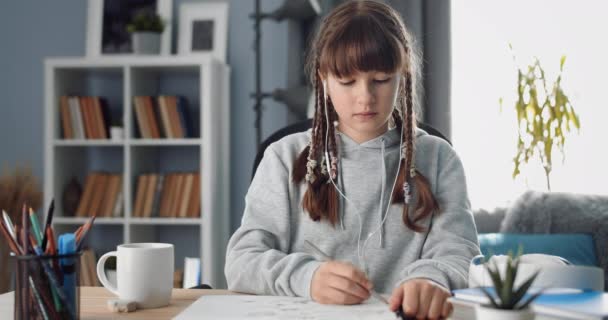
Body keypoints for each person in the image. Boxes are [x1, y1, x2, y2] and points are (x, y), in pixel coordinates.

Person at [225, 1, 480, 319]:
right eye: (347, 81)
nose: (365, 97)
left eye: (382, 79)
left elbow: (461, 253)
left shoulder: (441, 158)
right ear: (324, 80)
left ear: (402, 75)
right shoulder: (282, 157)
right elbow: (241, 261)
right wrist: (308, 277)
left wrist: (432, 278)